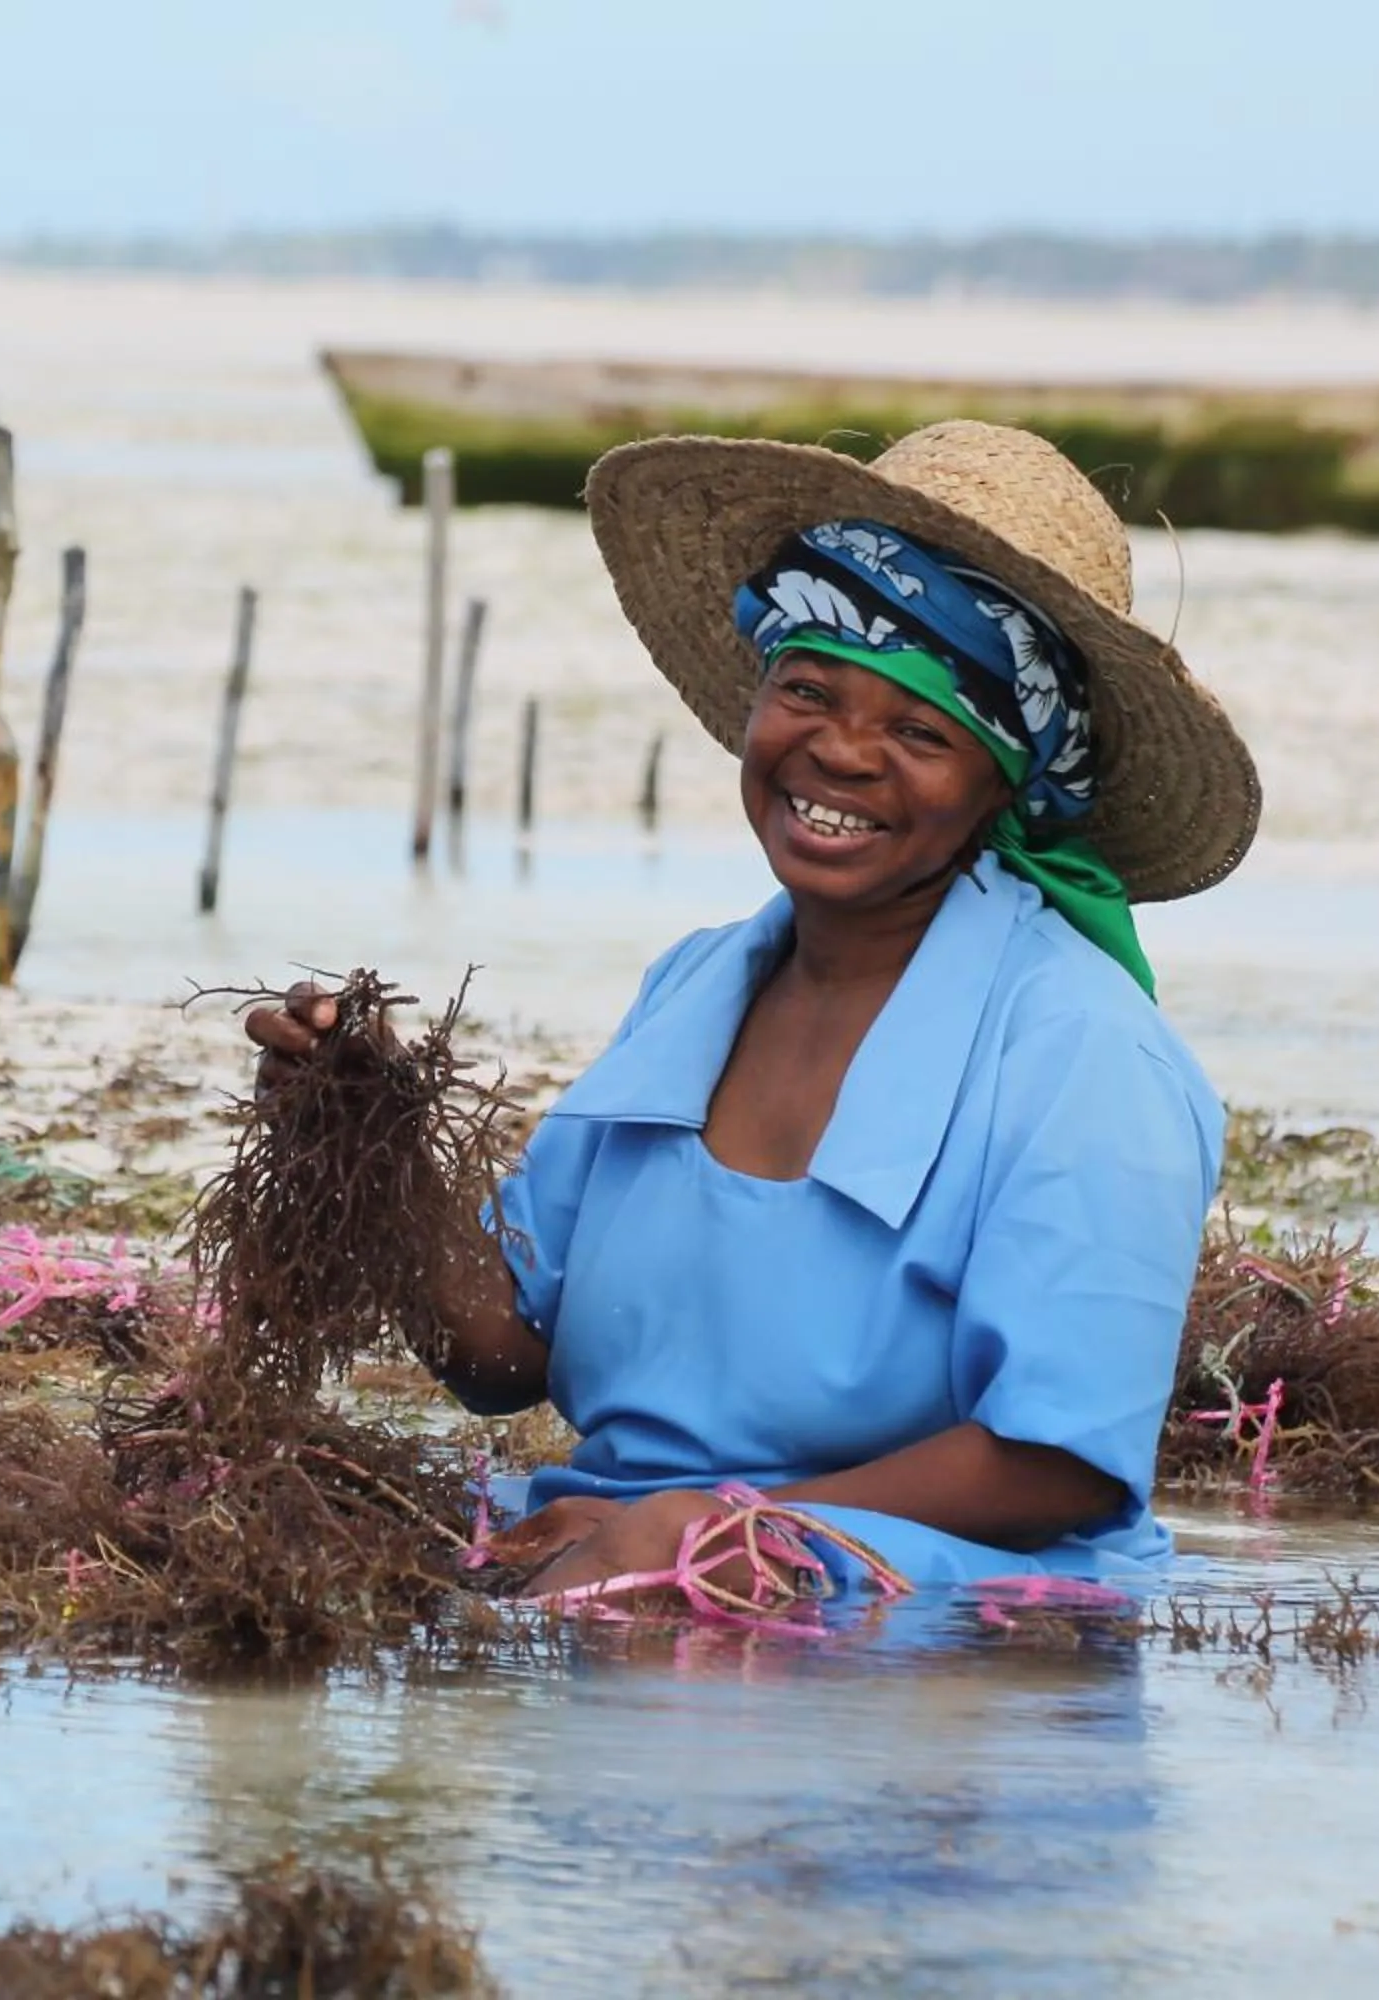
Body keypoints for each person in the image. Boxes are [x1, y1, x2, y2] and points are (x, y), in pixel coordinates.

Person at [248, 421, 1259, 1599]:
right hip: (631, 1559)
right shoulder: (694, 986)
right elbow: (502, 1356)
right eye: (808, 690)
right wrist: (360, 1129)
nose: (843, 753)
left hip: (939, 1617)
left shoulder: (1087, 1051)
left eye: (921, 730)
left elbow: (1059, 1466)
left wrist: (711, 1532)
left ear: (1005, 782)